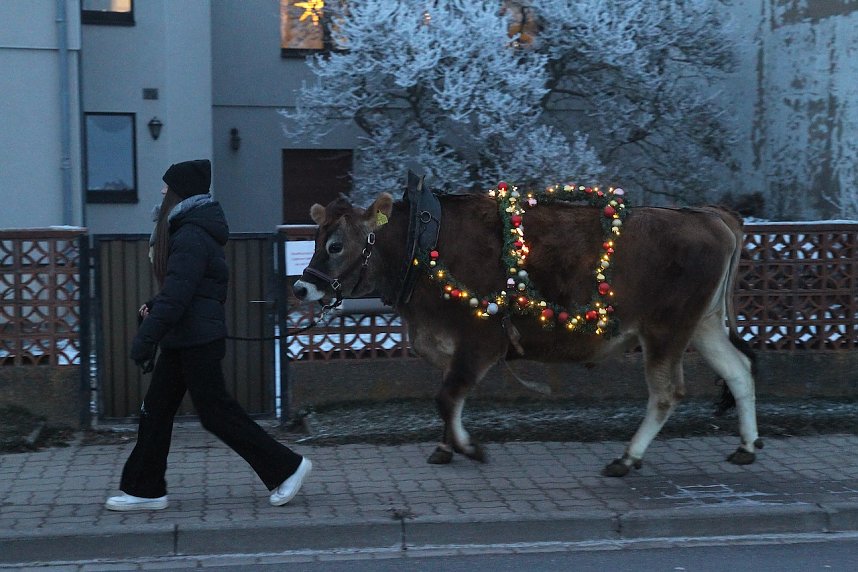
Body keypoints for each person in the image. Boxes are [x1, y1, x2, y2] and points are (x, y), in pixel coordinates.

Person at [105, 159, 311, 511]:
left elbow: (180, 295)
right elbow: (181, 290)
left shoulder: (191, 235)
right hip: (186, 338)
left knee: (216, 414)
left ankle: (286, 467)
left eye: (166, 186)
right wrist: (155, 307)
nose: (161, 191)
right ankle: (145, 488)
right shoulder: (191, 232)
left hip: (196, 341)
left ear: (179, 193)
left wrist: (145, 339)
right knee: (155, 411)